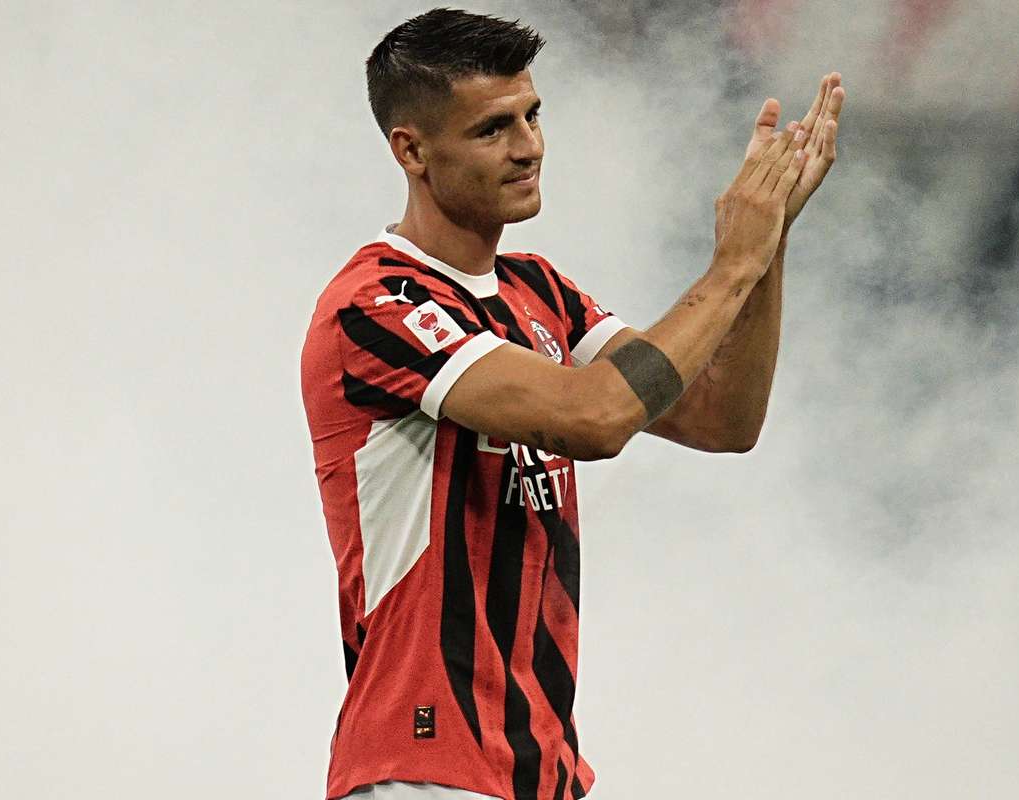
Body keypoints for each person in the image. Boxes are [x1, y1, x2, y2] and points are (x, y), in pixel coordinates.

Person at [300, 8, 844, 800]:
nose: (528, 147)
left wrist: (768, 244)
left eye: (533, 115)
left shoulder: (540, 292)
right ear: (411, 151)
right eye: (492, 129)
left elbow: (721, 418)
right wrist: (731, 266)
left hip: (541, 773)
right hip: (423, 763)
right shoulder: (377, 304)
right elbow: (597, 418)